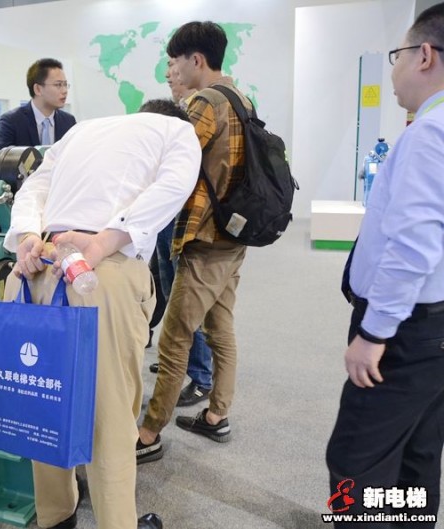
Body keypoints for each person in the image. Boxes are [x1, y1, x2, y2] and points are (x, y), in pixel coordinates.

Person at [3, 98, 201, 529]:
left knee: (44, 401)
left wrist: (27, 236)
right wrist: (107, 240)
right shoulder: (178, 131)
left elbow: (33, 188)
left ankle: (56, 517)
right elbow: (173, 186)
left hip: (34, 266)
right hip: (95, 275)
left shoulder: (80, 131)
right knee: (109, 418)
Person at [326, 4, 444, 526]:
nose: (393, 70)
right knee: (418, 446)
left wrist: (375, 332)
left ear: (424, 56)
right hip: (432, 326)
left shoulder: (429, 133)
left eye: (398, 55)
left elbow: (414, 245)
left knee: (357, 459)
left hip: (405, 330)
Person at [136, 21, 251, 464]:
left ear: (196, 60)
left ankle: (148, 432)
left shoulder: (206, 103)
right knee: (220, 329)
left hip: (204, 240)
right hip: (233, 237)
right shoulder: (241, 98)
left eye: (176, 62)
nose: (173, 71)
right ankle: (216, 415)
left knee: (174, 340)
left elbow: (169, 161)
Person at [148, 61, 215, 411]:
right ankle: (179, 363)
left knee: (187, 302)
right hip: (166, 217)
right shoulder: (183, 112)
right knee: (169, 292)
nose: (170, 78)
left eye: (174, 70)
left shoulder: (198, 114)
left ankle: (201, 376)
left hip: (184, 219)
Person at [0, 58, 76, 149]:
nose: (65, 91)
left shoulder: (69, 122)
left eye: (65, 84)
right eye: (58, 85)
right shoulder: (12, 121)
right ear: (38, 89)